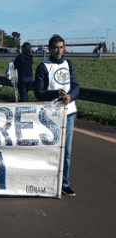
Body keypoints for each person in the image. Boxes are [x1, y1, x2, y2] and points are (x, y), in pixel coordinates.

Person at [34, 35, 80, 197]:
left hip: (68, 114)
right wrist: (56, 94)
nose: (59, 50)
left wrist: (70, 96)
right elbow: (38, 93)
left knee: (66, 151)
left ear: (64, 48)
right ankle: (46, 181)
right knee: (49, 149)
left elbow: (76, 86)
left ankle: (64, 183)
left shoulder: (69, 64)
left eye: (61, 47)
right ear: (49, 49)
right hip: (50, 115)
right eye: (55, 47)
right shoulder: (43, 66)